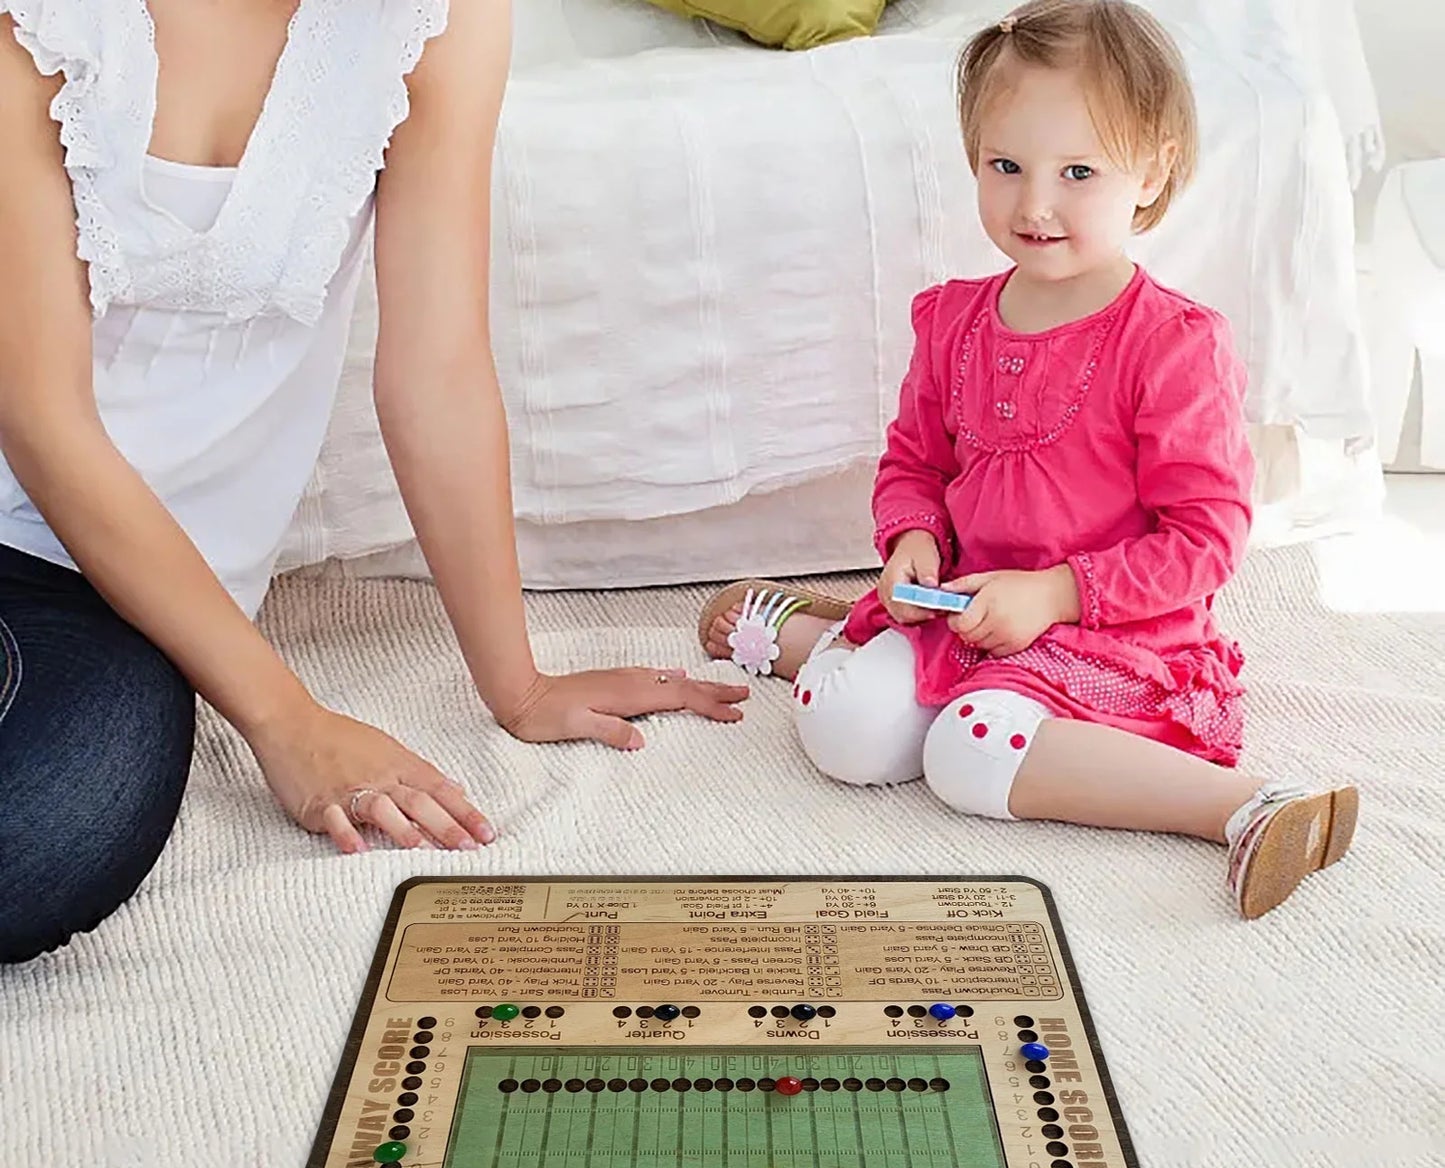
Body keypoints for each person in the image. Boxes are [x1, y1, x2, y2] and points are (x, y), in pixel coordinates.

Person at [0, 0, 748, 965]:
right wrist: (286, 718)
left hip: (116, 609)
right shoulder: (40, 19)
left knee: (42, 838)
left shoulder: (433, 23)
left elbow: (435, 375)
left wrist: (516, 684)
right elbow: (42, 421)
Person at [697, 0, 1357, 920]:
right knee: (847, 735)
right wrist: (913, 539)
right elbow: (912, 465)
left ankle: (1245, 808)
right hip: (966, 610)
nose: (1034, 204)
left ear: (1153, 171)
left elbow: (1204, 540)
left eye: (1077, 171)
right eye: (1005, 166)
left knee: (969, 752)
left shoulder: (1171, 344)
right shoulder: (953, 320)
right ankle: (822, 630)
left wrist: (1054, 594)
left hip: (1109, 630)